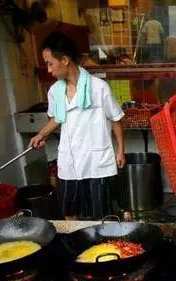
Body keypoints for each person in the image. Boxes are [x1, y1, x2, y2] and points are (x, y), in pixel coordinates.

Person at [30, 33, 126, 220]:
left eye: (50, 63)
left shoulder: (98, 88)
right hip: (69, 162)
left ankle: (99, 246)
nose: (48, 70)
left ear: (64, 60)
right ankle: (74, 244)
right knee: (69, 212)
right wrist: (41, 134)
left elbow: (116, 119)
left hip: (96, 162)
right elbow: (57, 118)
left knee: (101, 215)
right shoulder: (55, 91)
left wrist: (120, 151)